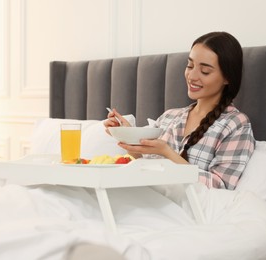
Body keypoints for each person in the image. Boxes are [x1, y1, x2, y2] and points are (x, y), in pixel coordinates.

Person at [104, 32, 255, 190]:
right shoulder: (169, 117)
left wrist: (168, 153)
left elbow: (220, 187)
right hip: (148, 200)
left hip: (189, 210)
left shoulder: (236, 124)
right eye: (190, 66)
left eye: (205, 71)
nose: (192, 76)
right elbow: (145, 168)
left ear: (227, 78)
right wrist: (131, 138)